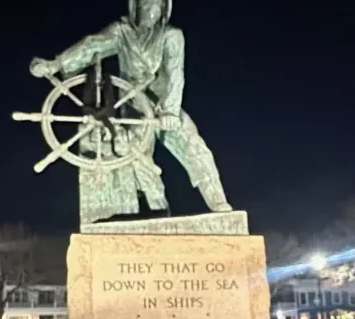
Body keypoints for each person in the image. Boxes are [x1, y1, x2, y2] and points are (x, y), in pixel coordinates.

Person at [30, 0, 232, 214]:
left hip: (164, 107)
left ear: (164, 10)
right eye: (146, 4)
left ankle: (217, 201)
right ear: (135, 8)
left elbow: (175, 75)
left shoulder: (172, 36)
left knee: (194, 146)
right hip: (134, 109)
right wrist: (56, 65)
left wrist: (171, 111)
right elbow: (91, 45)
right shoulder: (122, 32)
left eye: (156, 5)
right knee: (134, 155)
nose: (151, 10)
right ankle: (152, 209)